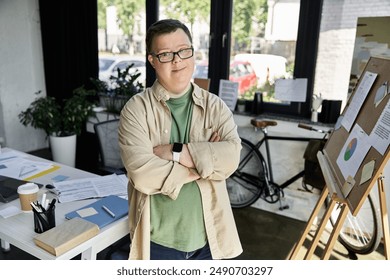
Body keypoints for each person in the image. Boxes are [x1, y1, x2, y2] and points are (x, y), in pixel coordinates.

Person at [118, 19, 242, 260]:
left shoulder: (214, 106)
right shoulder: (136, 110)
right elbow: (142, 174)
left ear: (193, 53)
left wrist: (174, 153)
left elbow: (231, 158)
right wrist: (201, 165)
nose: (177, 60)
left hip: (209, 238)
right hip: (158, 242)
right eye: (166, 54)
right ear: (152, 60)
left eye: (184, 51)